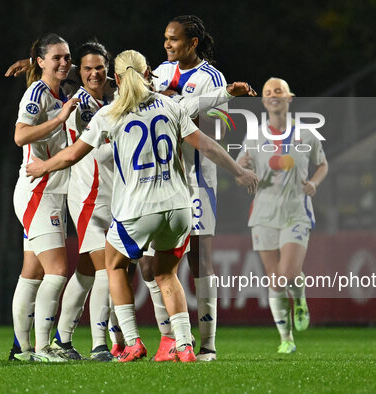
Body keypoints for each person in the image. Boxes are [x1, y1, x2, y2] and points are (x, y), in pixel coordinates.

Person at [26, 49, 258, 362]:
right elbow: (208, 146)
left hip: (139, 209)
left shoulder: (111, 114)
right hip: (179, 209)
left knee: (114, 265)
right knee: (166, 275)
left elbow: (71, 155)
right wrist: (239, 171)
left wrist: (43, 167)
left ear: (116, 78)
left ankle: (132, 341)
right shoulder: (170, 104)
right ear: (148, 73)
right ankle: (184, 345)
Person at [144, 14, 231, 362]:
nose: (167, 45)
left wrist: (183, 108)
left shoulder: (213, 78)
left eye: (174, 39)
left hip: (196, 180)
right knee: (151, 266)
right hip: (160, 181)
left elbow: (224, 125)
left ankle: (207, 344)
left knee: (200, 259)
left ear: (192, 43)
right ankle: (171, 340)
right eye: (165, 38)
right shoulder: (160, 72)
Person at [237, 77, 328, 353]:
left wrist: (313, 183)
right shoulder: (254, 136)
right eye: (268, 92)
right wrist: (242, 171)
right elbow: (242, 172)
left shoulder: (307, 134)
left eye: (278, 91)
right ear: (264, 101)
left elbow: (323, 164)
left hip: (295, 211)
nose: (273, 95)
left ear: (289, 97)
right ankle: (286, 339)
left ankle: (299, 300)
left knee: (285, 274)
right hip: (263, 213)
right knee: (274, 277)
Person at [45, 41, 120, 362]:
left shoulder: (118, 96)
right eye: (86, 68)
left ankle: (62, 337)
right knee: (107, 266)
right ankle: (100, 343)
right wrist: (35, 63)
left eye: (99, 67)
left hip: (117, 192)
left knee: (88, 269)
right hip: (88, 193)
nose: (93, 73)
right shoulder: (78, 103)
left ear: (109, 69)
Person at [9, 33, 80, 362]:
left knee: (33, 272)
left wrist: (39, 64)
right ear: (41, 61)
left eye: (67, 56)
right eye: (57, 57)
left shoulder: (57, 87)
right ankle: (43, 347)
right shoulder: (38, 93)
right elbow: (20, 135)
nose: (65, 62)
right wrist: (58, 120)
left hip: (48, 192)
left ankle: (23, 351)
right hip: (39, 192)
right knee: (57, 271)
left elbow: (92, 71)